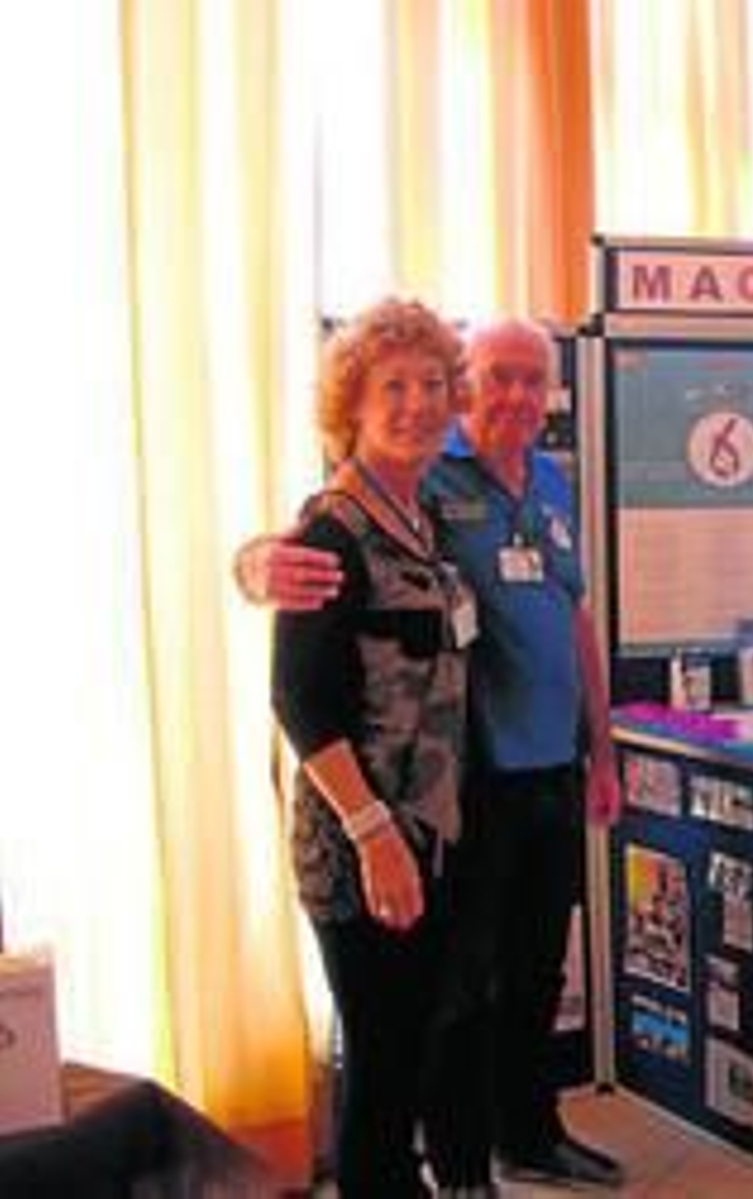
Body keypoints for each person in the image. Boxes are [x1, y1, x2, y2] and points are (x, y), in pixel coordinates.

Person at [242, 317, 625, 1189]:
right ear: (469, 388)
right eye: (499, 377)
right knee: (451, 1001)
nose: (518, 396)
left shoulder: (542, 484)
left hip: (548, 775)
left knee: (533, 971)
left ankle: (524, 1133)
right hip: (458, 792)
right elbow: (305, 615)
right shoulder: (424, 475)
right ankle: (458, 1164)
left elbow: (574, 617)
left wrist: (600, 751)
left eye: (535, 380)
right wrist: (258, 561)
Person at [270, 297, 480, 1196]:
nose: (417, 402)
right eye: (392, 386)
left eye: (434, 383)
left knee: (407, 1050)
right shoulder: (330, 532)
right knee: (383, 1066)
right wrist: (374, 835)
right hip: (364, 847)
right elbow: (300, 699)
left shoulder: (420, 513)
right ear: (351, 406)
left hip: (426, 831)